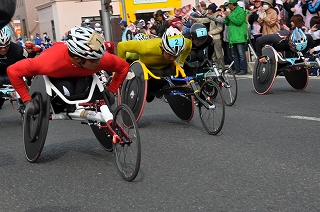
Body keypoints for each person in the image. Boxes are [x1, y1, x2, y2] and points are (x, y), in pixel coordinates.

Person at [7, 26, 129, 115]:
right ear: (77, 58)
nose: (98, 62)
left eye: (99, 58)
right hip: (58, 79)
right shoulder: (48, 62)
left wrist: (111, 90)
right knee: (67, 90)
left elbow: (123, 67)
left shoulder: (102, 59)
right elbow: (13, 71)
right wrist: (27, 101)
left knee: (82, 89)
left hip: (82, 77)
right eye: (93, 60)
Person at [117, 26, 192, 102]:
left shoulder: (183, 44)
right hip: (147, 71)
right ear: (161, 48)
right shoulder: (146, 47)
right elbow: (121, 46)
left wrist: (181, 62)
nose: (172, 58)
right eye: (169, 55)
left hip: (166, 70)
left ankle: (164, 86)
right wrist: (123, 70)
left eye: (176, 55)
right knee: (149, 97)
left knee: (174, 72)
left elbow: (189, 44)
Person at [190, 3, 225, 69]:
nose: (207, 11)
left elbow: (220, 28)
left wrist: (211, 32)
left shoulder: (218, 17)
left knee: (219, 54)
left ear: (211, 10)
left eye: (208, 9)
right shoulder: (211, 17)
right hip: (211, 38)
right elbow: (204, 20)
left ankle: (221, 68)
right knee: (213, 55)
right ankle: (216, 67)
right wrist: (195, 19)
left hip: (216, 38)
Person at [0, 26, 28, 109]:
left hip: (12, 74)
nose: (3, 49)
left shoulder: (18, 50)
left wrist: (29, 82)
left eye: (6, 46)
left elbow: (29, 66)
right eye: (0, 46)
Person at [224, 0, 248, 75]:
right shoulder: (231, 12)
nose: (228, 7)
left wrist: (229, 16)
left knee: (241, 55)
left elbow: (239, 21)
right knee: (234, 55)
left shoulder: (241, 11)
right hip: (233, 37)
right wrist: (226, 17)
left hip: (239, 37)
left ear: (232, 4)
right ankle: (236, 69)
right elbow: (227, 23)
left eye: (229, 5)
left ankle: (243, 69)